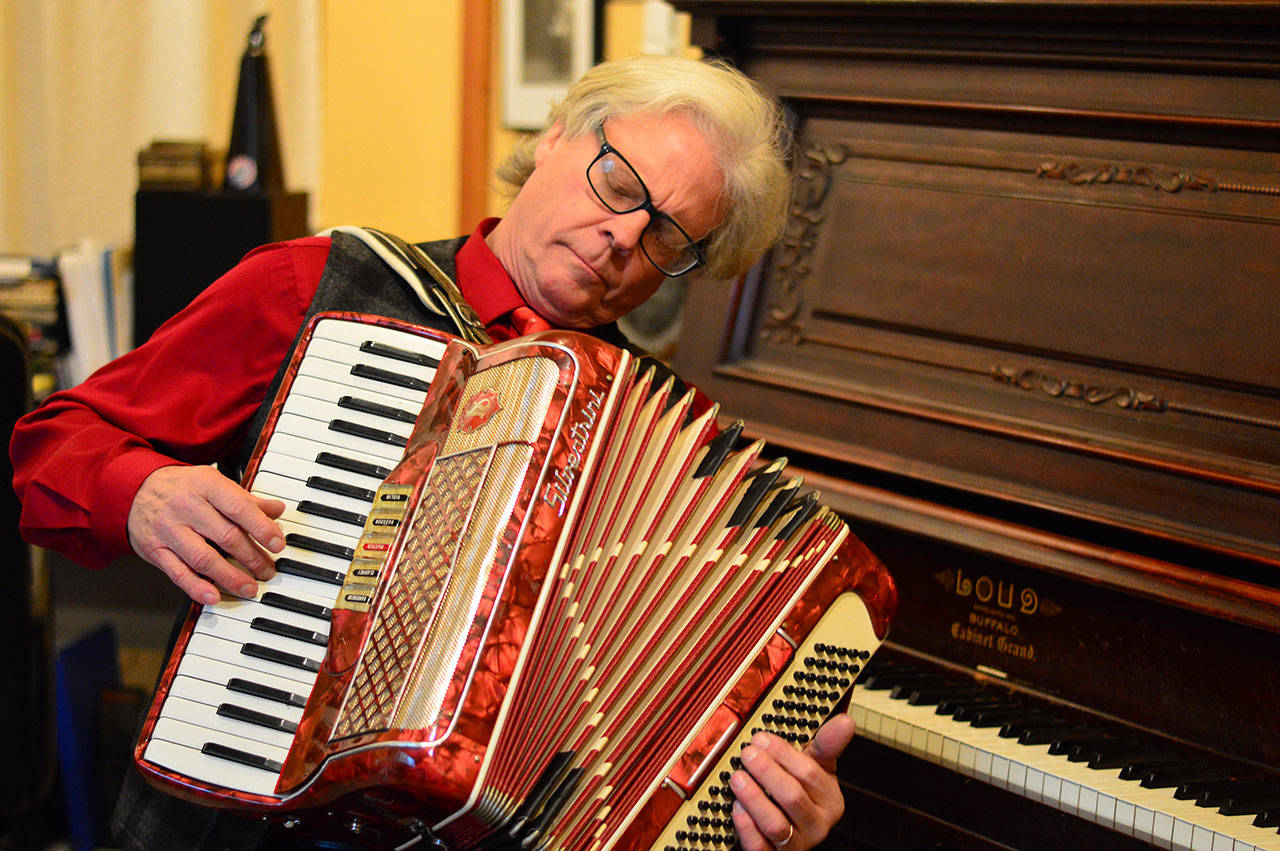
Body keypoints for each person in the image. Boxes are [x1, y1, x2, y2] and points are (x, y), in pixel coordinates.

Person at [11, 54, 853, 851]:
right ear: (555, 136)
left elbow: (664, 753)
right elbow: (54, 443)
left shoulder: (667, 455)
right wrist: (147, 493)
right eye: (620, 183)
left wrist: (759, 813)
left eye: (670, 236)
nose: (624, 236)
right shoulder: (323, 284)